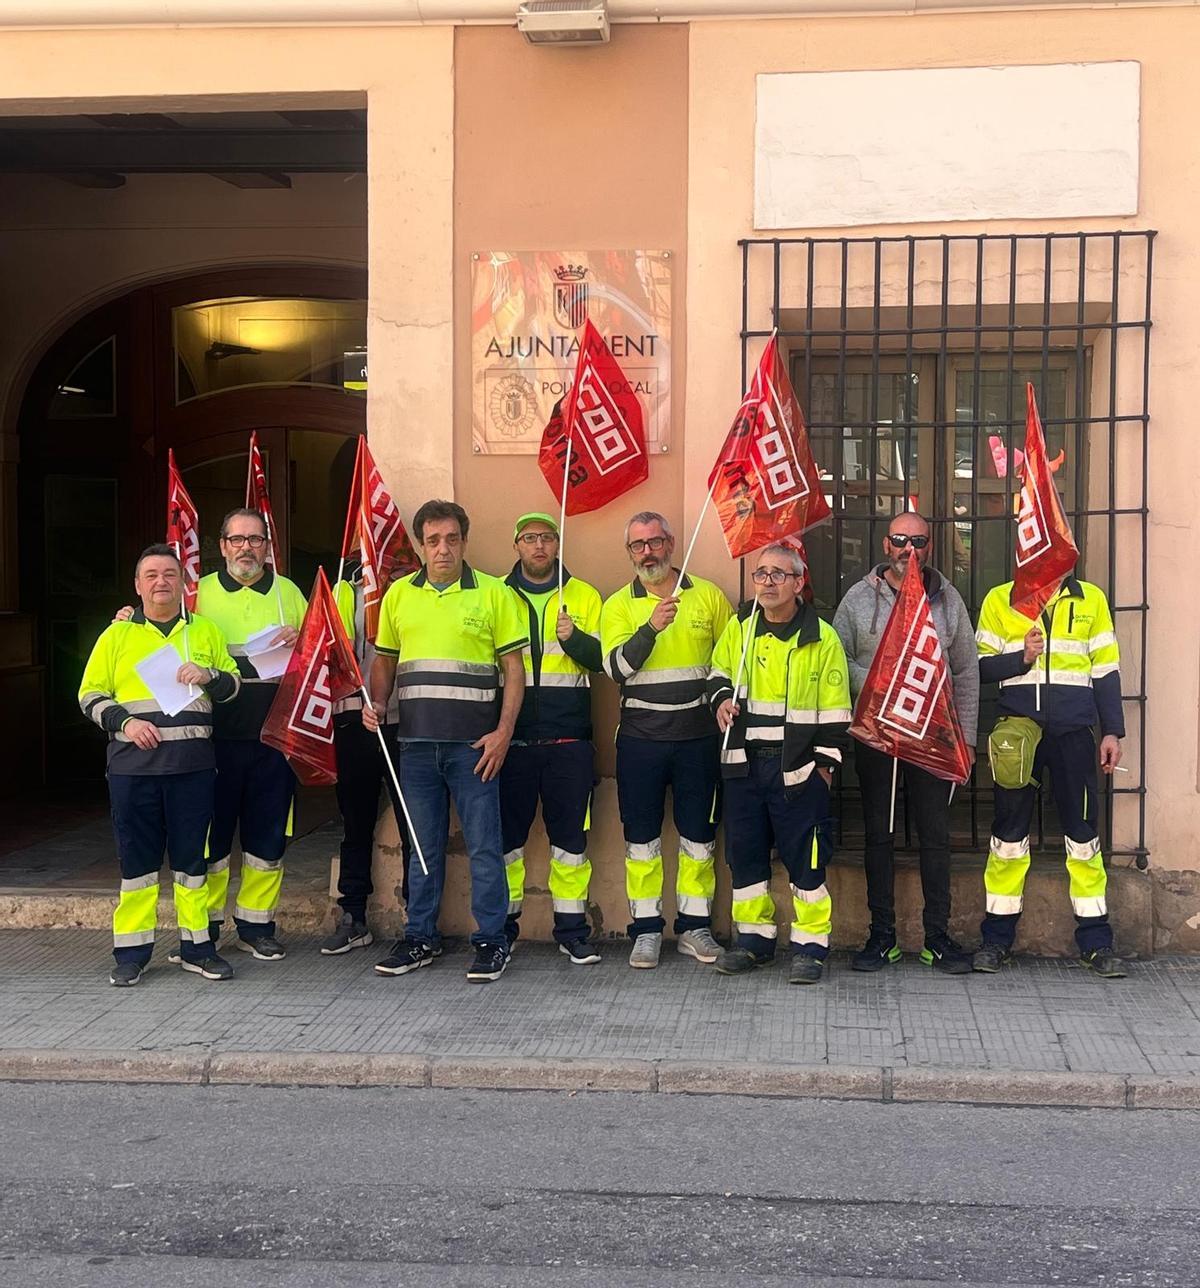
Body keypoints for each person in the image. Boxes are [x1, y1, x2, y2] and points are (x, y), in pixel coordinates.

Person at [364, 499, 528, 983]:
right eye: (432, 540)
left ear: (464, 541)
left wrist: (503, 733)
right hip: (414, 746)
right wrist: (376, 703)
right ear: (419, 545)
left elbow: (513, 673)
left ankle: (493, 941)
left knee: (483, 845)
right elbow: (384, 662)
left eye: (452, 538)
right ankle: (419, 937)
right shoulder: (398, 595)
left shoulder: (494, 594)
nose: (442, 548)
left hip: (474, 748)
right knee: (422, 846)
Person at [80, 544, 241, 986]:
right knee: (137, 863)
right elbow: (89, 695)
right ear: (138, 585)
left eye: (169, 574)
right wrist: (127, 723)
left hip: (192, 767)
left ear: (182, 583)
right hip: (134, 768)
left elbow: (233, 685)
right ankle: (131, 954)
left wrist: (209, 676)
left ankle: (198, 949)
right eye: (150, 575)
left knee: (193, 863)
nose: (160, 582)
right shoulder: (116, 636)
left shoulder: (204, 631)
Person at [832, 512, 979, 974]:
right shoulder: (857, 599)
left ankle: (938, 937)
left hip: (935, 739)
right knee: (880, 836)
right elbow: (836, 659)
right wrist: (882, 685)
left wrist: (967, 740)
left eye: (917, 540)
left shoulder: (948, 600)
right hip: (878, 737)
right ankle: (882, 937)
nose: (907, 548)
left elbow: (967, 671)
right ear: (885, 544)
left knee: (935, 837)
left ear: (930, 547)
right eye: (900, 539)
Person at [708, 543, 851, 984]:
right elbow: (718, 674)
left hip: (799, 770)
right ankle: (754, 942)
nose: (767, 582)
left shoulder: (822, 637)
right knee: (746, 858)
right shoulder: (740, 628)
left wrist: (823, 770)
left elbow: (835, 711)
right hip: (743, 766)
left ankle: (810, 946)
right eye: (760, 574)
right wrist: (719, 702)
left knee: (805, 861)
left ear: (798, 583)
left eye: (777, 574)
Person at [974, 567, 1127, 977]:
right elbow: (980, 668)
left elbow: (1106, 671)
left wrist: (1112, 730)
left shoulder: (1091, 599)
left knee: (1083, 836)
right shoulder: (999, 598)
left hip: (1075, 733)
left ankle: (1096, 942)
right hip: (1017, 731)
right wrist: (1020, 658)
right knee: (1008, 836)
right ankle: (996, 939)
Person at [600, 511, 732, 969]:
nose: (647, 552)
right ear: (629, 552)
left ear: (671, 543)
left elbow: (728, 666)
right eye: (638, 545)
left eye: (655, 542)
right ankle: (647, 931)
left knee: (699, 838)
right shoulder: (618, 604)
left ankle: (695, 929)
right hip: (640, 741)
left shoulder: (709, 596)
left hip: (698, 740)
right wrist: (652, 627)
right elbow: (615, 669)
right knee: (642, 841)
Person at [194, 509, 306, 960]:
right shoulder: (196, 593)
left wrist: (304, 641)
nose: (246, 548)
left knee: (268, 837)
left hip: (273, 739)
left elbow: (318, 655)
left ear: (267, 545)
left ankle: (256, 927)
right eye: (236, 539)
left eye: (255, 539)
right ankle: (205, 927)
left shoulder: (289, 594)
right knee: (211, 839)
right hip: (211, 739)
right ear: (221, 546)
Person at [500, 512, 604, 963]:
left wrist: (576, 638)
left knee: (571, 845)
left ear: (557, 544)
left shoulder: (584, 595)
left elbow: (602, 661)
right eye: (529, 538)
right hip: (513, 742)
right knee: (506, 843)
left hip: (569, 742)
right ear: (517, 545)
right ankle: (502, 927)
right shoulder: (497, 595)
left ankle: (572, 930)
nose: (538, 545)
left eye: (546, 537)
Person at [320, 565, 411, 955]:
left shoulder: (411, 590)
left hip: (404, 719)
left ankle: (419, 920)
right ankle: (353, 916)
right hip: (353, 719)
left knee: (415, 825)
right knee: (355, 825)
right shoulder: (341, 590)